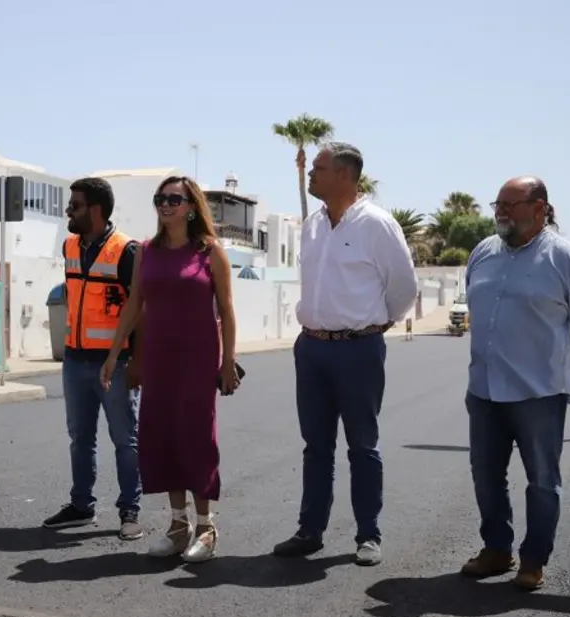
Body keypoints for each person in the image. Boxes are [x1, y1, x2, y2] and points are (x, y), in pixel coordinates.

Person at [272, 142, 417, 567]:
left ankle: (368, 535)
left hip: (359, 350)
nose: (310, 174)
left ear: (344, 176)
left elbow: (404, 288)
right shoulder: (313, 224)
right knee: (315, 446)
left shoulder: (377, 225)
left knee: (362, 446)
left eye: (317, 168)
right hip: (312, 348)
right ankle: (310, 531)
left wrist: (377, 324)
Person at [459, 177, 570, 591]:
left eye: (511, 203)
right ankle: (496, 550)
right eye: (497, 204)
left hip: (539, 393)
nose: (500, 211)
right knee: (486, 475)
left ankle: (533, 560)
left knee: (542, 480)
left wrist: (549, 357)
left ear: (540, 208)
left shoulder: (567, 260)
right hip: (484, 390)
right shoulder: (483, 254)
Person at [101, 176, 238, 562]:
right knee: (162, 436)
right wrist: (116, 354)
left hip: (197, 358)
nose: (165, 204)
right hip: (159, 358)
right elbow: (134, 307)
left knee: (196, 437)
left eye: (174, 199)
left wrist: (227, 362)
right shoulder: (147, 250)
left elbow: (226, 311)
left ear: (192, 206)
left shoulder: (210, 251)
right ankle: (178, 526)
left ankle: (206, 526)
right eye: (160, 198)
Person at [42, 177, 143, 540]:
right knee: (80, 438)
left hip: (114, 363)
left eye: (75, 205)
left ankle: (130, 511)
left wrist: (137, 360)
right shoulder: (70, 245)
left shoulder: (126, 250)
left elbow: (139, 309)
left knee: (125, 439)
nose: (68, 211)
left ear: (96, 210)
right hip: (75, 358)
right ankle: (81, 506)